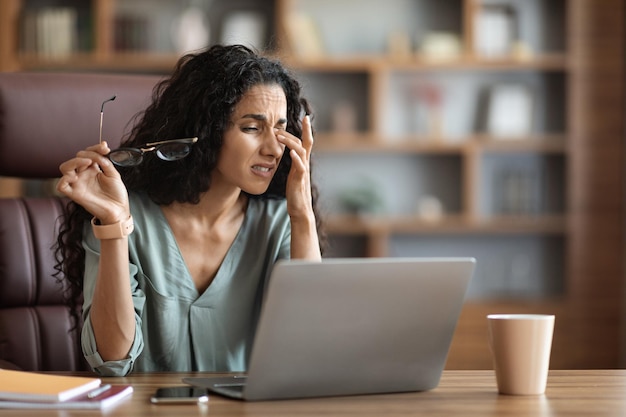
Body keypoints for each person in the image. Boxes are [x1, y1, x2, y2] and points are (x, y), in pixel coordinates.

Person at [54, 44, 325, 377]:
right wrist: (114, 225)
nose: (272, 148)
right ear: (207, 130)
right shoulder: (123, 212)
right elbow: (113, 358)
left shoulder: (278, 221)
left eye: (281, 130)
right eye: (252, 128)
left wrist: (302, 216)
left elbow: (310, 343)